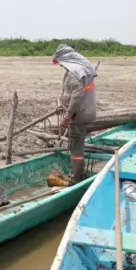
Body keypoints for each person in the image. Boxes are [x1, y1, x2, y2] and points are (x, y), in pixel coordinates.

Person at [53, 44, 98, 184]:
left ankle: (75, 179)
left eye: (61, 63)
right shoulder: (81, 70)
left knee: (76, 149)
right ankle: (76, 173)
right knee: (77, 145)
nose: (61, 66)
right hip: (85, 112)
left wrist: (67, 117)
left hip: (79, 115)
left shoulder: (74, 73)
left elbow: (77, 97)